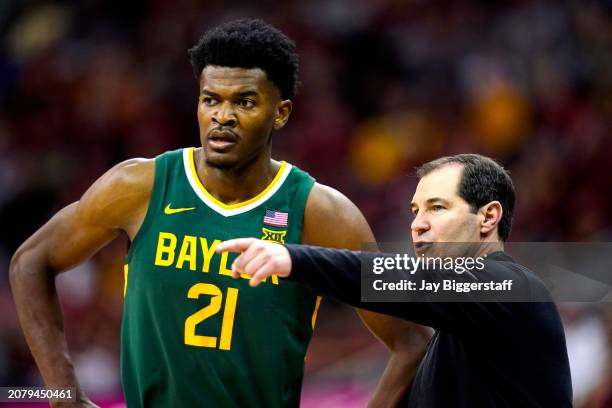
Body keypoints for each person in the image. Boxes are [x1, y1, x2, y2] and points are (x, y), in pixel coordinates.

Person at [9, 18, 429, 407]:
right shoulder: (140, 186)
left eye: (245, 102)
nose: (222, 116)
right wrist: (64, 393)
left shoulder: (320, 212)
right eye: (211, 99)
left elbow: (411, 340)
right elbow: (31, 261)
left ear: (280, 113)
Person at [217, 154, 573, 407]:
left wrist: (294, 257)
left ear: (488, 218)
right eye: (415, 211)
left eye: (437, 207)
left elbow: (394, 279)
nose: (418, 223)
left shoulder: (511, 288)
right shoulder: (456, 335)